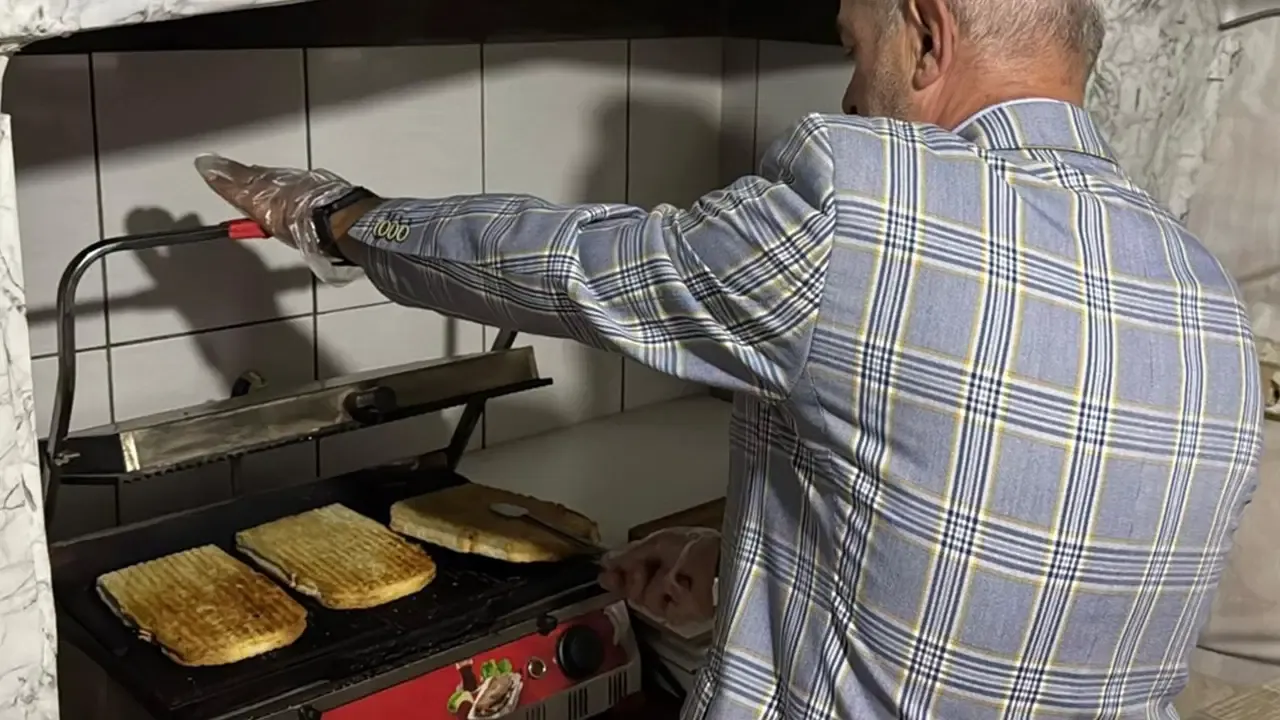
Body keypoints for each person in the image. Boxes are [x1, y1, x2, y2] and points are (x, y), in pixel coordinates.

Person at [197, 0, 1263, 716]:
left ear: (928, 35)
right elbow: (1018, 559)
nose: (851, 94)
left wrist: (340, 217)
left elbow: (571, 265)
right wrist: (748, 574)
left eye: (855, 47)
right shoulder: (1200, 290)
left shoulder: (876, 200)